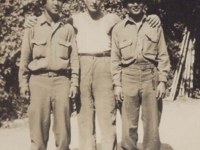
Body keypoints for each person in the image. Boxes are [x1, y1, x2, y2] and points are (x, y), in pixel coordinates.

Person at [24, 0, 161, 150]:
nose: (94, 1)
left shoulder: (113, 19)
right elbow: (54, 27)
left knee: (107, 114)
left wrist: (153, 17)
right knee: (84, 115)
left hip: (104, 64)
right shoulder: (73, 20)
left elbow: (133, 27)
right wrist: (30, 20)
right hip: (83, 65)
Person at [18, 0, 79, 150]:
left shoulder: (68, 29)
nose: (56, 3)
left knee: (63, 133)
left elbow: (74, 58)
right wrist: (23, 83)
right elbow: (25, 57)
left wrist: (74, 83)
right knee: (38, 133)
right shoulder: (32, 27)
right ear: (43, 3)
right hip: (38, 82)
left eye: (60, 0)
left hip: (62, 82)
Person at [111, 0, 170, 150]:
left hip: (150, 75)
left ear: (144, 4)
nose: (135, 4)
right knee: (128, 124)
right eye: (131, 2)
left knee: (152, 123)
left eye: (139, 1)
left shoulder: (154, 24)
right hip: (128, 76)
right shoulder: (118, 28)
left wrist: (162, 81)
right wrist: (117, 84)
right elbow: (115, 59)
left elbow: (163, 55)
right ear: (125, 5)